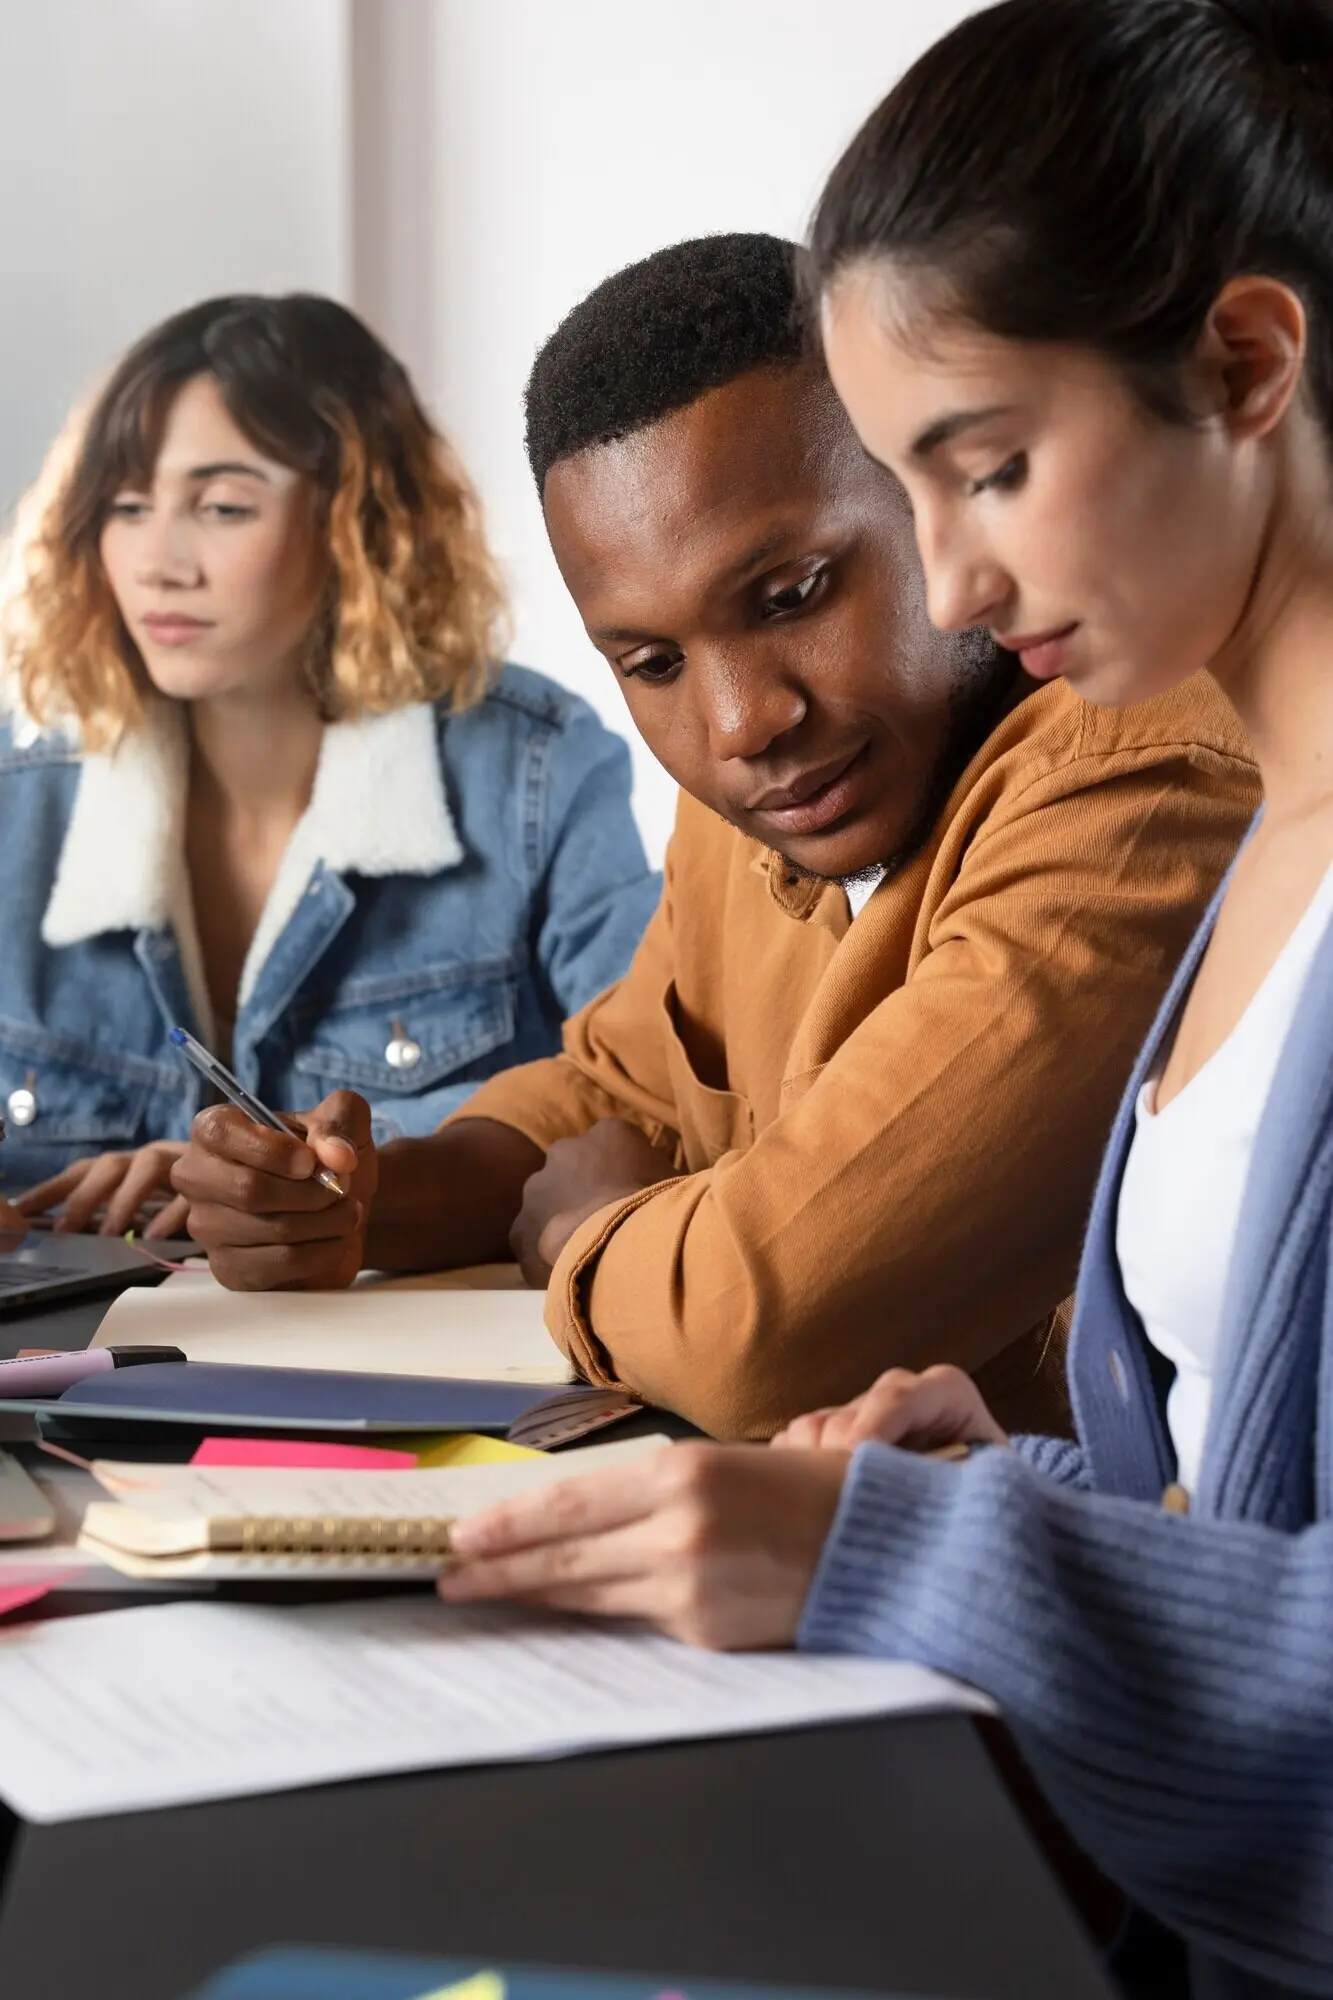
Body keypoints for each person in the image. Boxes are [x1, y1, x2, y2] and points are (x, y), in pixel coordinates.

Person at [432, 4, 1333, 1993]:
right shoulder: (1273, 832)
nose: (955, 583)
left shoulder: (1148, 785)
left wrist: (918, 1549)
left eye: (987, 469)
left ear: (1248, 367)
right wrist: (1036, 1487)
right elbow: (1254, 1502)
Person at [174, 236, 1258, 1441]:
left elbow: (762, 1328)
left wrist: (585, 1237)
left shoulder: (1136, 783)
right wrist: (366, 1201)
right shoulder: (763, 791)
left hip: (1057, 1597)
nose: (743, 720)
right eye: (652, 661)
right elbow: (615, 1088)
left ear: (937, 495)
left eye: (792, 593)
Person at [0, 293, 658, 1242]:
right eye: (127, 506)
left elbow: (653, 1100)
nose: (158, 563)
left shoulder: (533, 768)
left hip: (400, 1361)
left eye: (223, 506)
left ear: (365, 520)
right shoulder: (22, 800)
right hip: (66, 1369)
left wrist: (280, 1166)